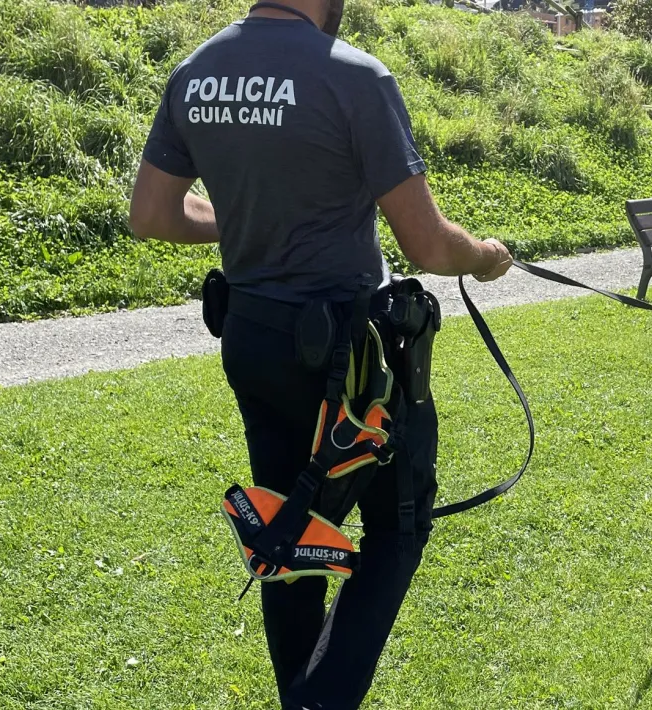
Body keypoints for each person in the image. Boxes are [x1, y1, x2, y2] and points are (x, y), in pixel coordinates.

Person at [127, 1, 513, 708]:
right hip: (347, 358)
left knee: (285, 527)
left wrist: (248, 221)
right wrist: (487, 258)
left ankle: (300, 694)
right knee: (398, 524)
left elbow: (151, 214)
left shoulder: (197, 71)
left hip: (251, 338)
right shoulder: (354, 76)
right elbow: (426, 245)